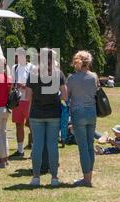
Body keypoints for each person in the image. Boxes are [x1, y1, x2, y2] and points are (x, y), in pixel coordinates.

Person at [26, 48, 67, 187]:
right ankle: (54, 177)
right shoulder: (58, 73)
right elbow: (65, 96)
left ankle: (36, 177)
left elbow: (27, 96)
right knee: (52, 145)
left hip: (36, 113)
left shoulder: (33, 73)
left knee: (37, 145)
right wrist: (55, 97)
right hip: (53, 113)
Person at [67, 50, 99, 187]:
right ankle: (89, 176)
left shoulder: (72, 79)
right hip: (91, 112)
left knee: (83, 148)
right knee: (90, 145)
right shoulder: (94, 76)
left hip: (78, 113)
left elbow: (67, 96)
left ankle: (86, 179)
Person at [10, 48, 32, 158]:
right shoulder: (15, 68)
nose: (17, 58)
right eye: (16, 56)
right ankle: (20, 150)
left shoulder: (31, 67)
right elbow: (12, 83)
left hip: (28, 100)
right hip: (17, 101)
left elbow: (34, 84)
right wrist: (15, 85)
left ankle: (34, 150)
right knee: (19, 125)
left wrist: (25, 86)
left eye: (18, 56)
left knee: (32, 125)